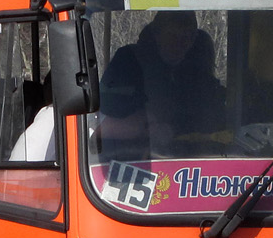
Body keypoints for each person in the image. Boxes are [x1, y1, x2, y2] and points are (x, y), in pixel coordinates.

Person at [96, 11, 227, 159]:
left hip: (197, 160)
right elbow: (102, 124)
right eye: (172, 36)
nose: (180, 44)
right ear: (156, 35)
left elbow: (214, 116)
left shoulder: (196, 72)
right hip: (135, 159)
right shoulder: (129, 63)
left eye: (188, 38)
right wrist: (147, 126)